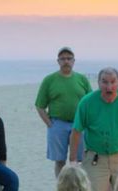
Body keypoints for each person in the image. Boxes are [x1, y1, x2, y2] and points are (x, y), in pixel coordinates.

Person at [35, 47, 92, 177]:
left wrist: (87, 122)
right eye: (63, 58)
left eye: (69, 58)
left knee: (80, 160)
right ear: (58, 61)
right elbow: (39, 105)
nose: (66, 61)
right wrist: (50, 124)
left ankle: (80, 189)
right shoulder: (49, 80)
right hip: (57, 124)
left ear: (74, 61)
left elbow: (91, 102)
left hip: (79, 125)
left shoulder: (82, 79)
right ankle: (62, 190)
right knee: (59, 160)